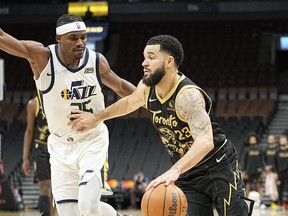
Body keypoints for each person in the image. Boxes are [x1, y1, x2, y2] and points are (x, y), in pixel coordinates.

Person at [68, 35, 253, 216]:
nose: (144, 63)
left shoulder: (188, 96)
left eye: (151, 57)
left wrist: (174, 171)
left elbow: (205, 142)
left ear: (169, 61)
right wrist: (96, 118)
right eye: (144, 57)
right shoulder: (147, 87)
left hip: (218, 166)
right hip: (188, 173)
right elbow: (129, 103)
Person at [0, 14, 135, 216]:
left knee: (88, 206)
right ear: (59, 38)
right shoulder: (42, 57)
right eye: (73, 38)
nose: (80, 42)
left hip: (91, 141)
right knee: (69, 213)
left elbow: (123, 87)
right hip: (59, 146)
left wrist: (151, 99)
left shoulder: (96, 61)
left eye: (83, 37)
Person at [22, 96, 57, 216]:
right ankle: (45, 214)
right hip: (41, 147)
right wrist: (25, 158)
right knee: (44, 185)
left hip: (59, 147)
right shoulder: (33, 104)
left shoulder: (61, 99)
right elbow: (29, 131)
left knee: (56, 189)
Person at [241, 132, 265, 204]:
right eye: (251, 139)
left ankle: (262, 202)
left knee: (259, 186)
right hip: (249, 171)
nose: (252, 140)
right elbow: (244, 161)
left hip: (258, 171)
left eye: (254, 139)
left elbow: (262, 160)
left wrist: (263, 170)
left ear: (256, 140)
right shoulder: (246, 150)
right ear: (249, 140)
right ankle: (246, 202)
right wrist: (243, 171)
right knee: (248, 186)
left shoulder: (260, 149)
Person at [263, 134, 279, 207]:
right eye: (269, 139)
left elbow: (279, 160)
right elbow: (264, 160)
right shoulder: (265, 149)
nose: (271, 140)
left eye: (272, 139)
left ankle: (277, 202)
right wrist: (265, 167)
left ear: (275, 140)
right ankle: (272, 202)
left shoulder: (277, 149)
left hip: (276, 170)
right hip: (268, 171)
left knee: (276, 187)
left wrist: (273, 167)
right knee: (269, 187)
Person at [274, 134, 288, 209]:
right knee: (280, 189)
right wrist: (275, 172)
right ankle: (280, 203)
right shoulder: (277, 151)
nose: (282, 141)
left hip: (287, 172)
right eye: (281, 140)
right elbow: (275, 163)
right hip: (279, 173)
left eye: (284, 140)